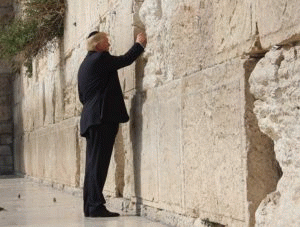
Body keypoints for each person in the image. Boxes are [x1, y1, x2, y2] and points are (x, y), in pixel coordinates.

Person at [78, 31, 147, 217]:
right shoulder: (101, 58)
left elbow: (82, 97)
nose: (109, 44)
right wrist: (139, 44)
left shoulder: (84, 65)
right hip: (102, 119)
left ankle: (90, 206)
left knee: (93, 166)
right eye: (106, 42)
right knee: (98, 166)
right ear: (98, 45)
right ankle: (96, 207)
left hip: (91, 119)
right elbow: (124, 60)